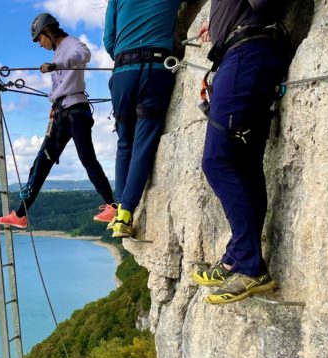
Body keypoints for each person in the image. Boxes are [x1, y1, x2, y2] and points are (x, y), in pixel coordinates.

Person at [191, 1, 290, 304]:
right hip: (247, 51)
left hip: (247, 54)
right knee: (244, 165)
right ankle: (237, 257)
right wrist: (220, 24)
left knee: (217, 161)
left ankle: (250, 266)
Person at [0, 13, 116, 229]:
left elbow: (85, 54)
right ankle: (21, 214)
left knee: (82, 159)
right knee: (44, 163)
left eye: (40, 39)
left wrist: (55, 66)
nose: (40, 44)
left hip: (73, 112)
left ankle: (111, 206)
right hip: (65, 112)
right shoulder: (59, 52)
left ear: (48, 32)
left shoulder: (70, 44)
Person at [102, 0, 193, 238]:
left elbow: (109, 41)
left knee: (124, 144)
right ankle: (125, 214)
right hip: (155, 69)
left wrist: (125, 52)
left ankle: (120, 208)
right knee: (143, 144)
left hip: (123, 73)